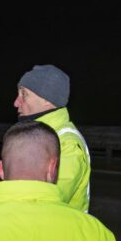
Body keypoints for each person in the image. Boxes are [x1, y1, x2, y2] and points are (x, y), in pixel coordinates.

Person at [13, 65, 91, 212]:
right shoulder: (32, 135)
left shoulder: (67, 144)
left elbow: (50, 203)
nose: (16, 102)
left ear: (47, 100)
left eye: (24, 94)